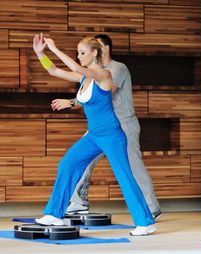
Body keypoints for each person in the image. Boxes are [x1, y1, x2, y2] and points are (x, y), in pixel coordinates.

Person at [33, 33, 156, 236]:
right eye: (78, 53)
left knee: (124, 176)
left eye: (82, 52)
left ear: (95, 53)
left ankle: (145, 222)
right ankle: (55, 214)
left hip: (112, 135)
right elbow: (53, 70)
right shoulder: (84, 79)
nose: (79, 56)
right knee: (68, 163)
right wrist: (40, 54)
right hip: (94, 136)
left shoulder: (104, 75)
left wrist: (54, 49)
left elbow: (75, 68)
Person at [61, 34, 161, 220]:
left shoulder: (117, 68)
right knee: (82, 162)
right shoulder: (93, 71)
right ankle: (78, 203)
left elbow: (104, 93)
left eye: (95, 47)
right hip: (101, 126)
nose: (91, 51)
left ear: (105, 49)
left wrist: (70, 101)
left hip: (124, 123)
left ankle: (151, 207)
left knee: (131, 166)